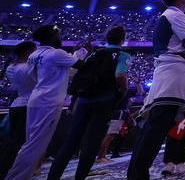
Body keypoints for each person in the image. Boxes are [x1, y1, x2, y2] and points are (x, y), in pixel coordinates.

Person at [128, 0, 185, 180]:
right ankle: (138, 173)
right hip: (173, 72)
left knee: (155, 126)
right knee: (158, 126)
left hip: (169, 71)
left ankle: (136, 172)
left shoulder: (169, 15)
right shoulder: (176, 15)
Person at [48, 26, 131, 180]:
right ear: (122, 39)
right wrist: (123, 90)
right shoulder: (122, 55)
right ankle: (80, 176)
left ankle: (53, 176)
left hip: (84, 99)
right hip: (105, 100)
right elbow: (120, 75)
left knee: (71, 140)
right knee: (92, 141)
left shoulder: (94, 54)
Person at [6, 26, 82, 180]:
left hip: (36, 98)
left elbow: (35, 76)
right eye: (59, 34)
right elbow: (81, 64)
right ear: (53, 37)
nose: (61, 37)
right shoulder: (56, 53)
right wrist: (85, 52)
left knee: (31, 143)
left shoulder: (34, 54)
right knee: (35, 145)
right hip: (49, 101)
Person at [0, 41, 36, 178]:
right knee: (19, 144)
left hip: (16, 105)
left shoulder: (10, 67)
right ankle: (8, 171)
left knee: (12, 142)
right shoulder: (29, 68)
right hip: (27, 106)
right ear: (28, 52)